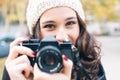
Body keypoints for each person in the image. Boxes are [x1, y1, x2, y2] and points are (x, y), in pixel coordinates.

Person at [2, 0, 106, 80]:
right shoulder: (21, 68)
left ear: (80, 27)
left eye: (70, 23)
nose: (61, 36)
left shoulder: (91, 64)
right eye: (49, 26)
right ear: (36, 33)